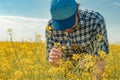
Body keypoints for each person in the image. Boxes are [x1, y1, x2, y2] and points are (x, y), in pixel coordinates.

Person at [45, 0, 109, 79]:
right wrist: (54, 60)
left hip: (90, 73)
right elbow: (52, 61)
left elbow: (100, 58)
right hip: (66, 74)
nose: (66, 29)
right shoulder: (50, 27)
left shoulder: (95, 20)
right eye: (61, 25)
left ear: (77, 11)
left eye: (69, 23)